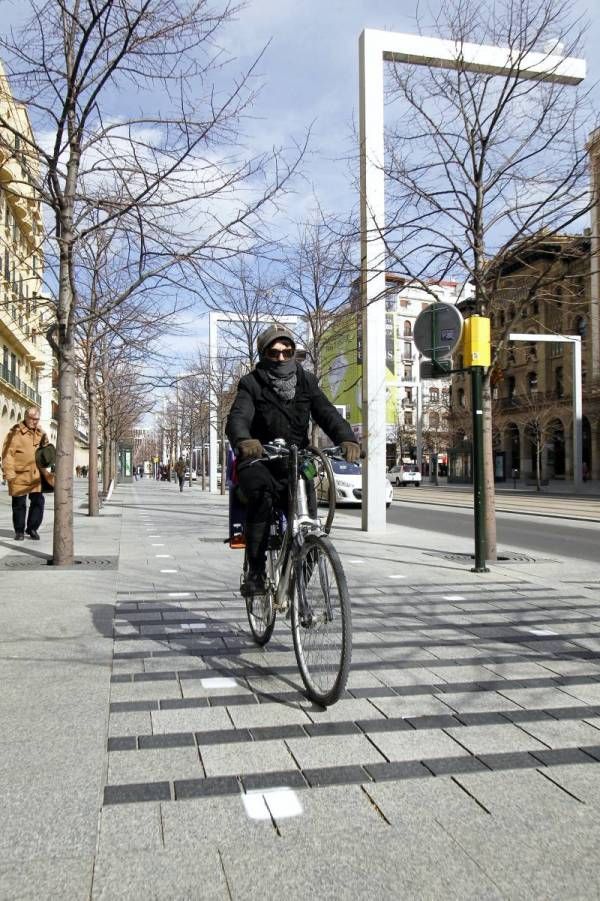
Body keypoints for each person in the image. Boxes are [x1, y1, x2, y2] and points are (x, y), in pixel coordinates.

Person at [226, 323, 360, 594]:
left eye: (287, 352)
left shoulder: (306, 380)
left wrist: (346, 439)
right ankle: (256, 572)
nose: (281, 358)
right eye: (274, 353)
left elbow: (327, 412)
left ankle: (298, 589)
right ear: (264, 354)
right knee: (261, 496)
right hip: (260, 458)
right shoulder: (251, 383)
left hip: (295, 460)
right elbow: (238, 417)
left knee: (310, 522)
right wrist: (244, 440)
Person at [1, 406, 51, 541]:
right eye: (32, 419)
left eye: (37, 419)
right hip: (19, 474)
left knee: (38, 501)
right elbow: (7, 454)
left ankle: (32, 528)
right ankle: (19, 531)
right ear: (26, 417)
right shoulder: (15, 433)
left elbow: (46, 451)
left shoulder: (41, 433)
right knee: (19, 503)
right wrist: (8, 473)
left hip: (36, 474)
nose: (35, 421)